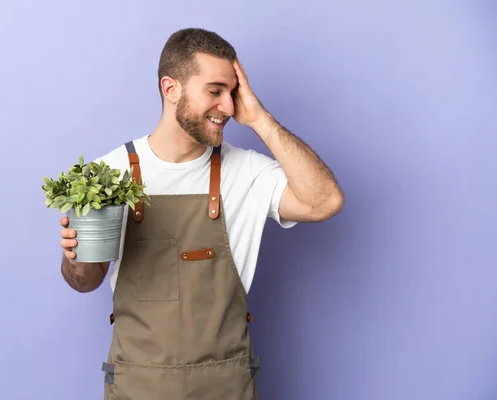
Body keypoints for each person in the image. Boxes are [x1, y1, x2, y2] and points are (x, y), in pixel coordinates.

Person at [58, 28, 344, 400]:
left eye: (233, 93)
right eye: (214, 91)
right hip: (138, 387)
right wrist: (75, 258)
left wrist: (260, 119)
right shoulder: (108, 176)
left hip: (226, 386)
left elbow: (325, 202)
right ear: (170, 88)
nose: (227, 107)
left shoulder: (247, 172)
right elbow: (85, 281)